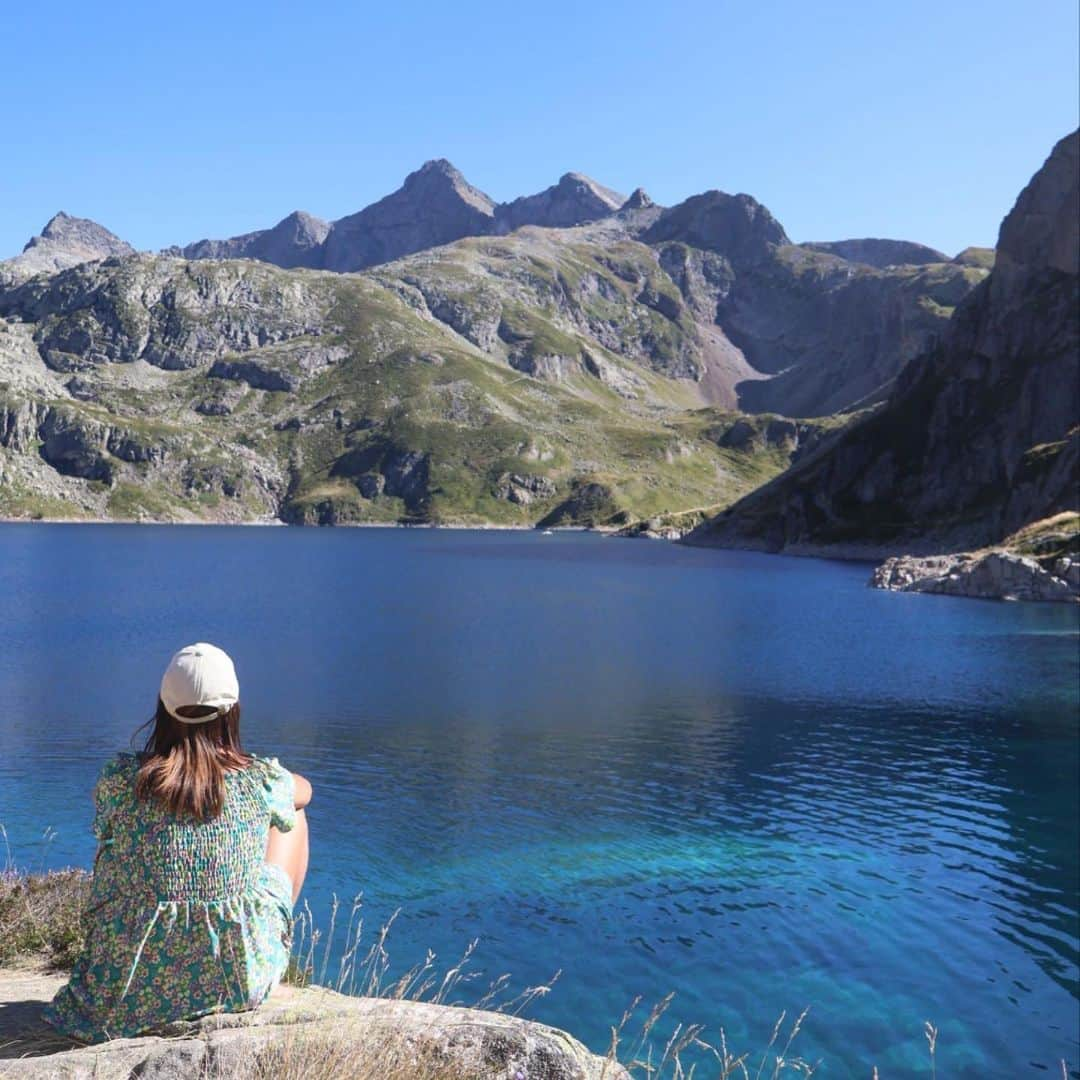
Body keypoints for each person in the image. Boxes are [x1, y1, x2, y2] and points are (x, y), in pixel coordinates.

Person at [42, 643, 312, 1042]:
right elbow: (304, 791)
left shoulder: (122, 780)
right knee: (293, 817)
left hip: (123, 990)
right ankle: (263, 940)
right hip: (234, 983)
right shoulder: (261, 781)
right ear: (232, 712)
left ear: (164, 709)